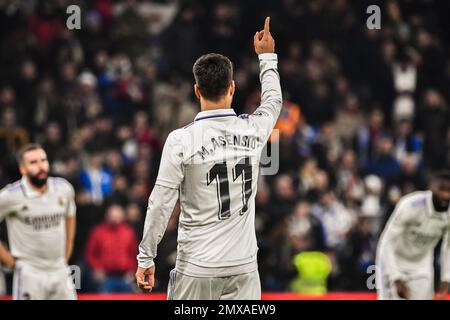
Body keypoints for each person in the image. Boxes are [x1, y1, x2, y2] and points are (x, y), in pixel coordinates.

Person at [135, 17, 282, 300]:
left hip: (197, 268)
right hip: (244, 269)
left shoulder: (181, 140)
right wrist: (267, 58)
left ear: (197, 91)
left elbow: (160, 204)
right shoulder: (253, 128)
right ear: (232, 88)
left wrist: (146, 257)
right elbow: (273, 101)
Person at [0, 143, 77, 300]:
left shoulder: (63, 188)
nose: (41, 166)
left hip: (60, 268)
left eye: (43, 160)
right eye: (33, 162)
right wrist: (7, 259)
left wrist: (68, 248)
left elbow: (70, 215)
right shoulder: (10, 196)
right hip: (29, 272)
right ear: (22, 169)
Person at [376, 170, 450, 300]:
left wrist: (446, 278)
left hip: (421, 266)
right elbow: (387, 242)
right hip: (393, 261)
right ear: (431, 188)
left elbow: (448, 247)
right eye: (442, 189)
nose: (446, 195)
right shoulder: (410, 205)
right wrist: (395, 277)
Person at [85, 204, 138, 293]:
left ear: (122, 217)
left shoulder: (129, 232)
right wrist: (96, 268)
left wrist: (132, 271)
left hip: (125, 277)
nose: (115, 219)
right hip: (105, 277)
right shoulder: (98, 232)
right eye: (112, 216)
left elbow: (134, 253)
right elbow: (90, 253)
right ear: (107, 216)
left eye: (117, 216)